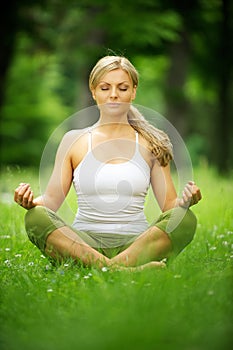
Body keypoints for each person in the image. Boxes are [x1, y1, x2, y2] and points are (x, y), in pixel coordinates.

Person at [14, 55, 202, 271]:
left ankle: (99, 269)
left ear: (133, 91)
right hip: (83, 244)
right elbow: (51, 201)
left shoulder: (152, 143)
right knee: (35, 217)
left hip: (135, 245)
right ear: (93, 92)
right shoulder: (73, 141)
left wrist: (186, 201)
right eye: (105, 88)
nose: (114, 95)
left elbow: (169, 206)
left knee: (185, 219)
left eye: (122, 88)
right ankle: (124, 271)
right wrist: (28, 201)